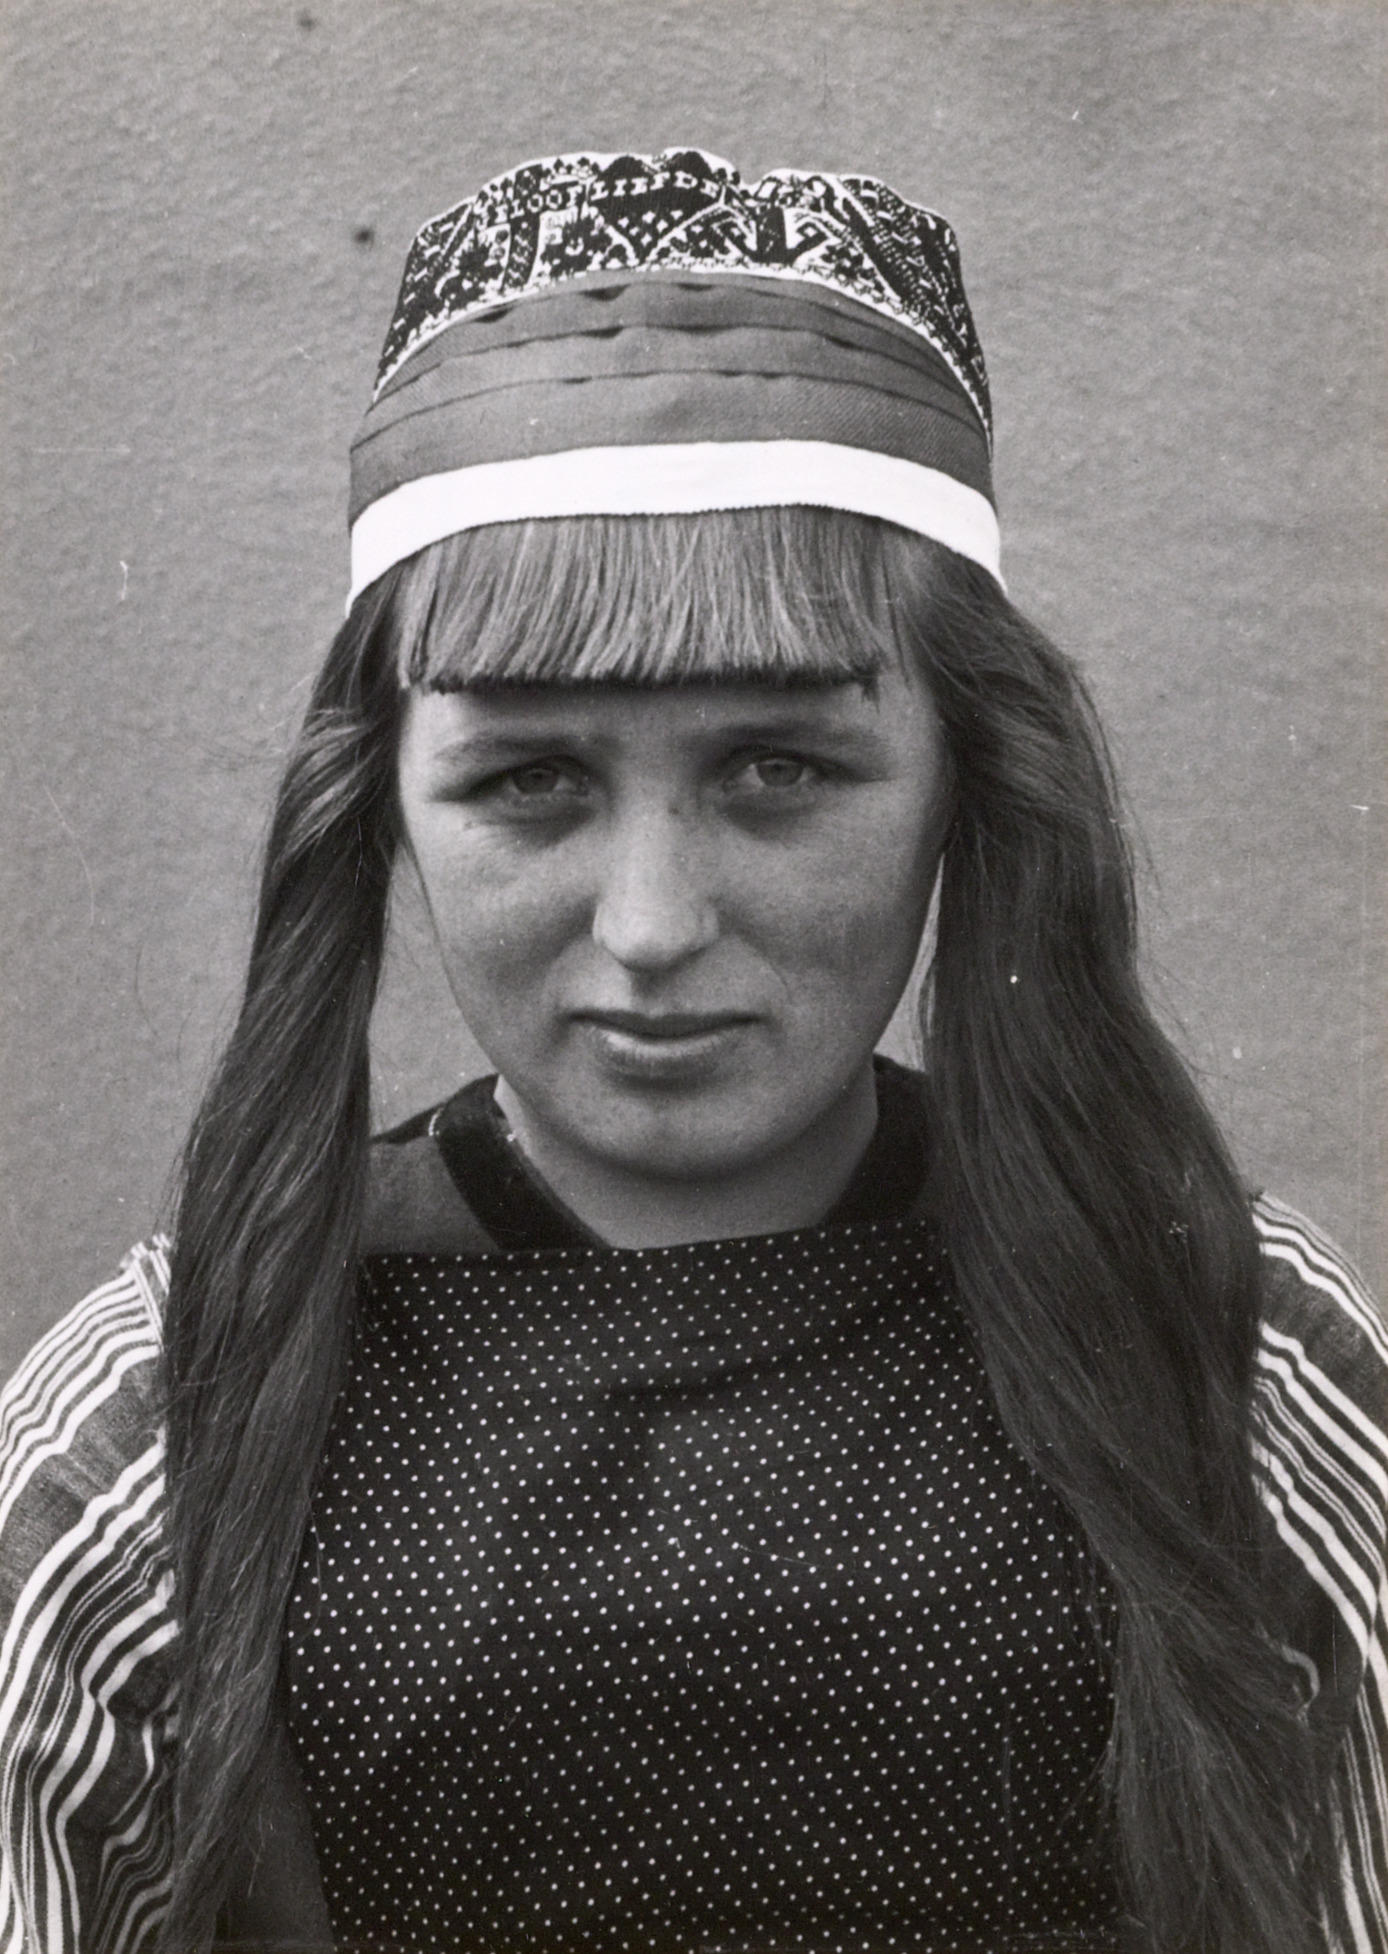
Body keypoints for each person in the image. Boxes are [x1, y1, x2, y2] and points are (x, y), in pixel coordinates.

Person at [0, 148, 1383, 1954]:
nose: (652, 922)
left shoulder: (1231, 1356)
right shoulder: (160, 1422)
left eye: (779, 769)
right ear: (381, 806)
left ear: (971, 778)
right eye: (530, 780)